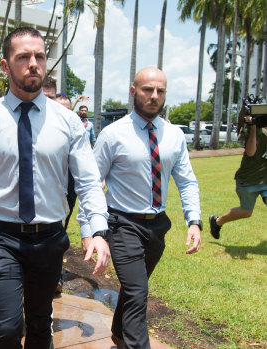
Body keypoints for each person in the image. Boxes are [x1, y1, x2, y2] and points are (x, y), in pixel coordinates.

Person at [0, 27, 110, 349]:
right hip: (0, 239)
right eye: (23, 57)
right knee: (8, 329)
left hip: (49, 239)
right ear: (6, 66)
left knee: (40, 324)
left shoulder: (68, 122)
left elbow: (89, 181)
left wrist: (98, 230)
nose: (33, 63)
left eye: (39, 56)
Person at [78, 67, 202, 349]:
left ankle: (120, 335)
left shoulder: (173, 135)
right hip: (122, 224)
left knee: (136, 289)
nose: (154, 96)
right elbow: (91, 185)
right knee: (137, 291)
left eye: (160, 91)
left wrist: (194, 220)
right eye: (147, 89)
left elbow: (187, 181)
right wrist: (89, 231)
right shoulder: (112, 135)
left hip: (157, 226)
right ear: (133, 91)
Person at [209, 109, 267, 239]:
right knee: (246, 212)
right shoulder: (256, 131)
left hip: (265, 179)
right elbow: (251, 152)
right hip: (248, 180)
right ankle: (217, 221)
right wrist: (252, 126)